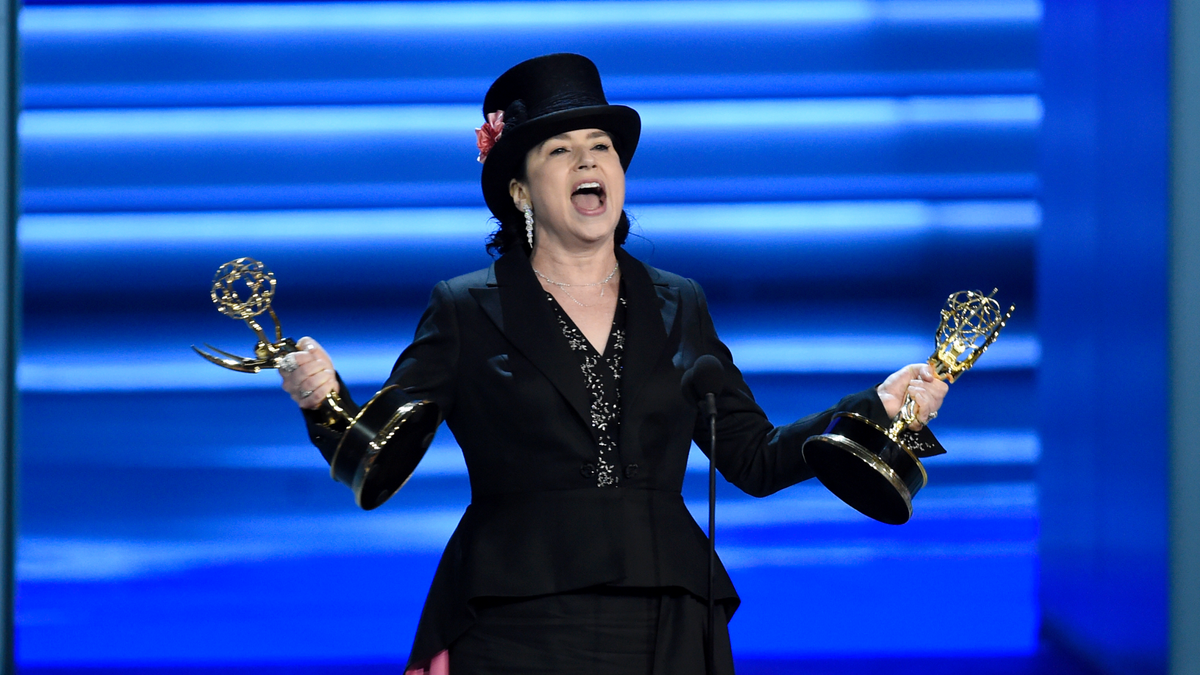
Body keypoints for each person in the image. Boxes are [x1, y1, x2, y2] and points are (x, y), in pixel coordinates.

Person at [278, 54, 948, 675]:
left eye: (600, 147)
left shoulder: (678, 302)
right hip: (516, 615)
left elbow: (753, 458)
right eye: (560, 151)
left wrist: (876, 406)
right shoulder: (464, 308)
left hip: (667, 610)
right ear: (519, 190)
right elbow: (381, 457)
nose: (587, 161)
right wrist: (321, 400)